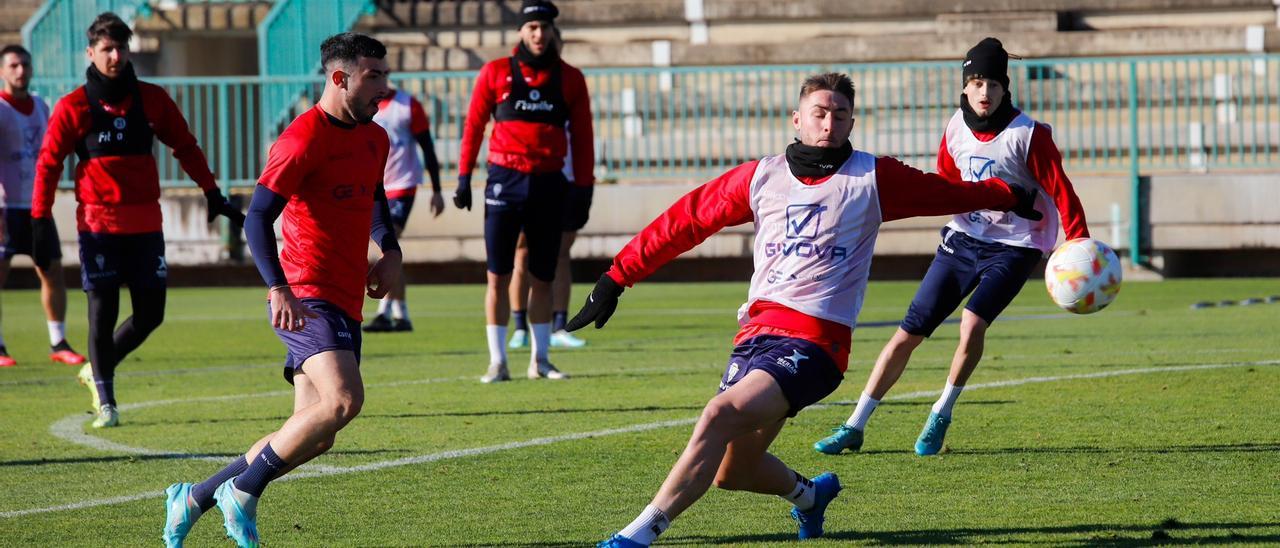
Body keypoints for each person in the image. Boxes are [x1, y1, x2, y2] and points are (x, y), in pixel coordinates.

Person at [567, 72, 1044, 546]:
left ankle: (637, 535)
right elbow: (687, 219)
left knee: (717, 415)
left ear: (851, 122)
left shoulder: (873, 177)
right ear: (797, 119)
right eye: (819, 113)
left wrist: (1007, 194)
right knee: (734, 471)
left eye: (839, 115)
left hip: (818, 344)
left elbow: (949, 193)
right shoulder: (761, 176)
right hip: (754, 337)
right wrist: (615, 277)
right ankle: (811, 497)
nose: (829, 123)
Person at [161, 32, 398, 548]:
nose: (385, 85)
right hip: (304, 293)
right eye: (374, 76)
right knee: (343, 400)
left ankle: (195, 497)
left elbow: (374, 194)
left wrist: (391, 250)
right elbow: (258, 218)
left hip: (345, 296)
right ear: (340, 78)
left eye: (384, 74)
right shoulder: (301, 139)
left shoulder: (374, 138)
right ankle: (242, 494)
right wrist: (279, 288)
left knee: (316, 434)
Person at [813, 38, 1090, 458]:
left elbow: (1061, 190)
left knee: (971, 324)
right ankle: (855, 424)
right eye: (977, 82)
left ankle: (941, 413)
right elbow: (945, 184)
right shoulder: (955, 127)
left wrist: (1079, 242)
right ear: (965, 86)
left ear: (1005, 87)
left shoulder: (1028, 134)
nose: (984, 92)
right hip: (962, 240)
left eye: (993, 84)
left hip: (1015, 245)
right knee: (908, 332)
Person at [30, 13, 242, 428]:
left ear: (129, 52)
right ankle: (107, 400)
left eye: (121, 48)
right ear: (91, 53)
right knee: (101, 311)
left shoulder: (152, 99)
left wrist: (211, 192)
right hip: (98, 226)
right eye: (107, 49)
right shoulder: (74, 106)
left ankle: (96, 366)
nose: (115, 55)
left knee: (151, 314)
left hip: (146, 224)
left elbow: (185, 145)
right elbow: (48, 164)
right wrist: (39, 219)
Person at [453, 0, 594, 383]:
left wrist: (584, 189)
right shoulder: (495, 72)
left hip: (550, 184)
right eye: (531, 27)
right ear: (521, 31)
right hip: (505, 181)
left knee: (542, 277)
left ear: (552, 31)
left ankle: (541, 360)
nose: (538, 33)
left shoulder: (570, 78)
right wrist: (464, 175)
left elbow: (583, 138)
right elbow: (474, 124)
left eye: (544, 27)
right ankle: (497, 361)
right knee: (497, 275)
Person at [0, 44, 86, 368]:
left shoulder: (40, 106)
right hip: (6, 207)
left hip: (37, 206)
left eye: (24, 64)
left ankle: (58, 341)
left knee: (51, 271)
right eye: (13, 65)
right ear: (2, 71)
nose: (20, 71)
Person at [508, 27, 590, 350]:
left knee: (560, 254)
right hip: (527, 178)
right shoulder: (518, 82)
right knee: (522, 253)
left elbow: (583, 138)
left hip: (564, 182)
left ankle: (559, 325)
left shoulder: (569, 84)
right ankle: (519, 326)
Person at [362, 86, 444, 333]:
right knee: (386, 252)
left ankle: (385, 313)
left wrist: (438, 190)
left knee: (386, 246)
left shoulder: (407, 105)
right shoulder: (360, 107)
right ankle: (401, 314)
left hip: (402, 187)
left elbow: (427, 147)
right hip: (374, 188)